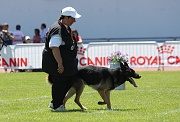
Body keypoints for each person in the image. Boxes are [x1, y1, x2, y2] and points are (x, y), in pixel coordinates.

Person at [42, 6, 81, 112]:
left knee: (69, 80)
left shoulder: (66, 27)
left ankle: (55, 102)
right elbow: (54, 47)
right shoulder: (58, 29)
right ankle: (57, 106)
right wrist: (60, 63)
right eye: (73, 18)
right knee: (60, 83)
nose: (75, 20)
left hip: (67, 62)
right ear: (66, 17)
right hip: (56, 62)